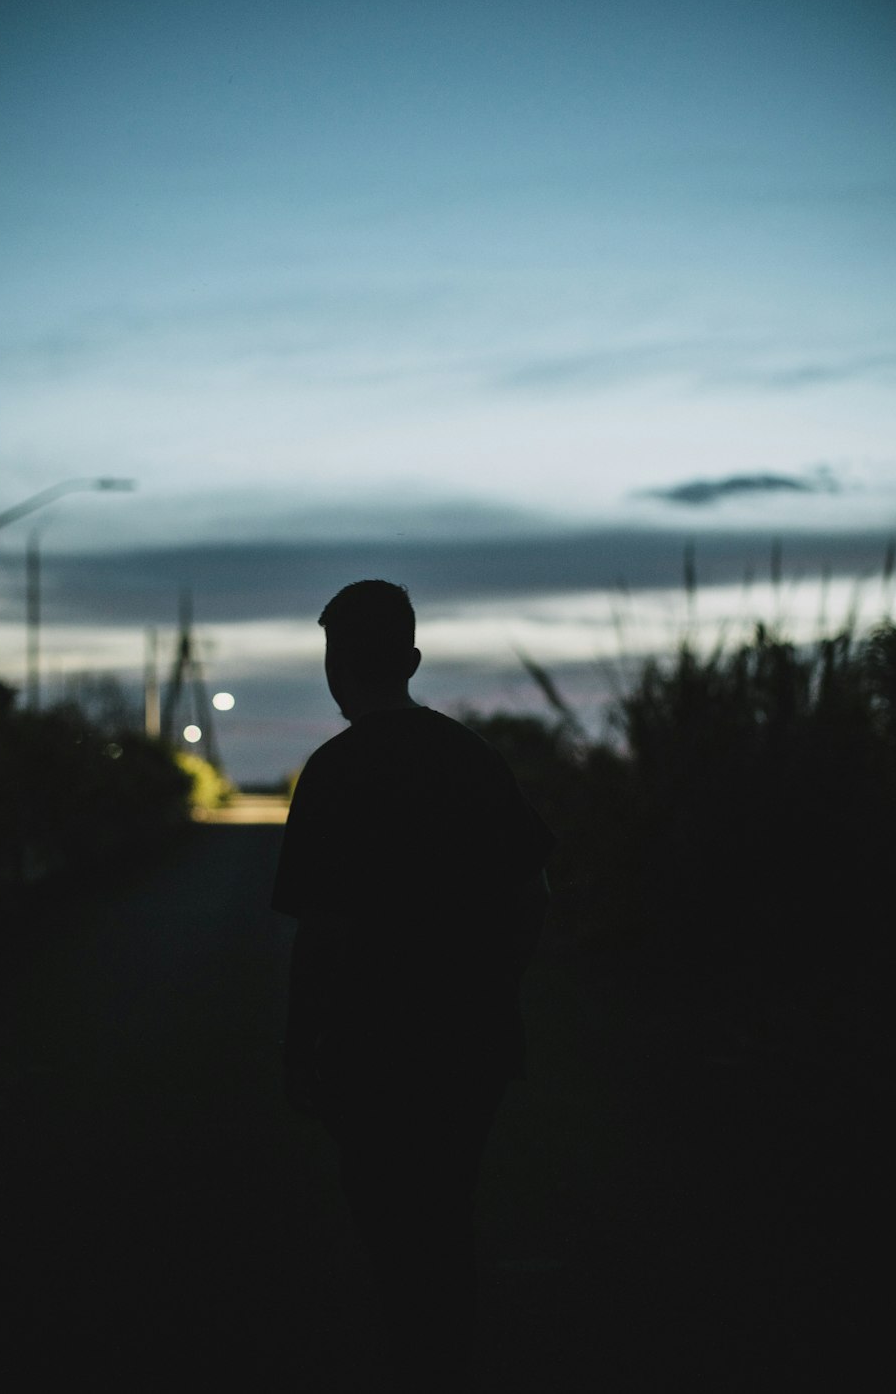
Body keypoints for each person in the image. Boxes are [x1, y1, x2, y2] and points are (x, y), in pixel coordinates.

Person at [271, 580, 554, 1384]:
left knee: (389, 1220)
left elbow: (322, 933)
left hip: (369, 1046)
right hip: (472, 1039)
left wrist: (300, 1047)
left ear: (335, 666)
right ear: (413, 660)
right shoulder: (474, 758)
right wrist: (494, 983)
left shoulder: (331, 773)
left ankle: (415, 1356)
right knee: (445, 1212)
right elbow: (530, 897)